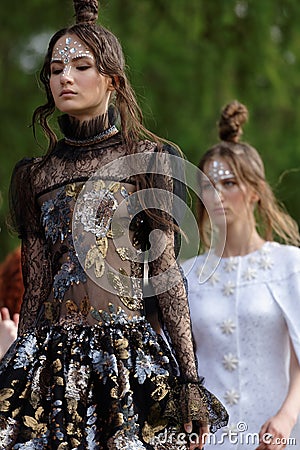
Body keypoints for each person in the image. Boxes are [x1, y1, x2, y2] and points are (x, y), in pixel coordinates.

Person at [0, 1, 228, 449]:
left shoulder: (147, 161)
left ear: (113, 80)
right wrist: (21, 371)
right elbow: (37, 286)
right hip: (54, 360)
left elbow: (167, 277)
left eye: (81, 66)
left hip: (128, 361)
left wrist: (189, 383)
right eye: (55, 69)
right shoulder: (36, 176)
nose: (65, 77)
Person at [182, 100, 300, 449]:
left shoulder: (290, 265)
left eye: (229, 183)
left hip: (277, 434)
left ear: (254, 190)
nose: (216, 194)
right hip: (209, 440)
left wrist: (287, 418)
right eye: (208, 185)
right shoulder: (186, 277)